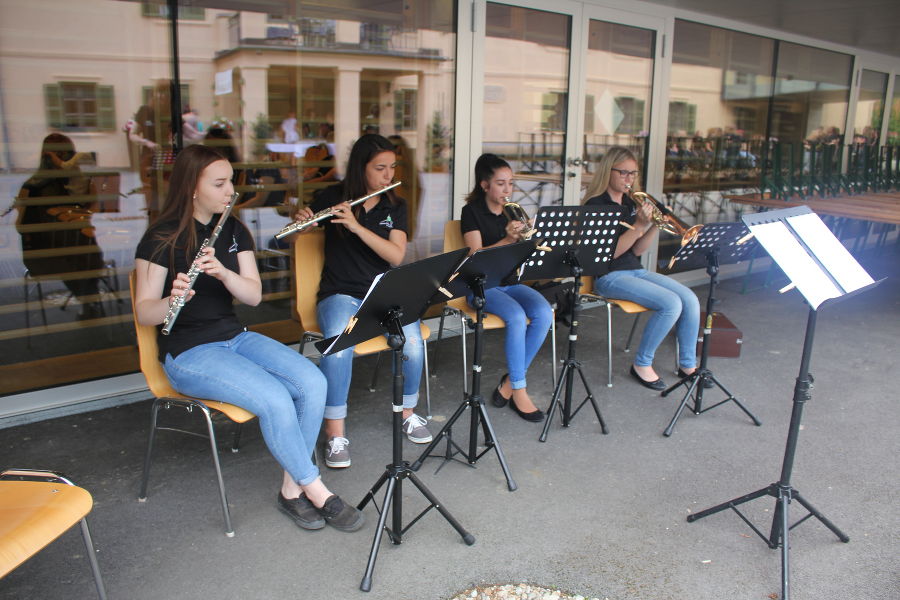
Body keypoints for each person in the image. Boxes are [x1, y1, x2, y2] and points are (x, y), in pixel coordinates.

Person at [133, 144, 363, 532]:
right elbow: (144, 312)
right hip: (188, 352)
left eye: (231, 183)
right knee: (275, 398)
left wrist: (222, 273)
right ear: (192, 187)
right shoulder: (162, 236)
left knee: (312, 381)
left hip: (234, 337)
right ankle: (316, 488)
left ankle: (291, 487)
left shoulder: (233, 230)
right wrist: (172, 298)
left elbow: (253, 296)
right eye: (220, 184)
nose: (230, 192)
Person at [292, 134, 431, 468]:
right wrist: (300, 225)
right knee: (339, 347)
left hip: (384, 293)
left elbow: (396, 256)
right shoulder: (333, 197)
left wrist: (355, 226)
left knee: (412, 343)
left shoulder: (393, 206)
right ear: (361, 168)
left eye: (392, 167)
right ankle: (335, 433)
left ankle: (407, 413)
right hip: (339, 294)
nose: (388, 175)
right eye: (379, 168)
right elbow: (297, 238)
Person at [583, 146, 700, 391]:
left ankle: (688, 364)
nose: (629, 179)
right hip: (608, 276)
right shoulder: (597, 205)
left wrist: (657, 223)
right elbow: (609, 254)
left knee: (689, 298)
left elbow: (636, 251)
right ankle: (642, 364)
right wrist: (638, 225)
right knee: (671, 304)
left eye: (633, 174)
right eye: (623, 173)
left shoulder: (629, 203)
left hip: (635, 270)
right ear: (608, 171)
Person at [460, 153, 552, 422]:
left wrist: (528, 242)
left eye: (510, 183)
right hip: (481, 286)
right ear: (484, 185)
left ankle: (509, 383)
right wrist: (507, 239)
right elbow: (475, 257)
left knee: (544, 313)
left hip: (510, 283)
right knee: (515, 318)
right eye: (501, 184)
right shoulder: (471, 213)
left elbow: (521, 256)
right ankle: (519, 390)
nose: (508, 190)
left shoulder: (514, 212)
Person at [16, 133, 105, 320]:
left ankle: (89, 301)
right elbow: (92, 211)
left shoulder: (32, 185)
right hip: (58, 256)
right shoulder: (76, 184)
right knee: (80, 254)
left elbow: (20, 226)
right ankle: (90, 301)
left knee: (78, 251)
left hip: (54, 255)